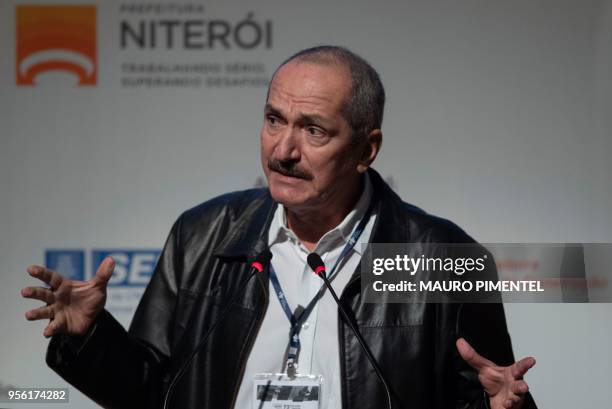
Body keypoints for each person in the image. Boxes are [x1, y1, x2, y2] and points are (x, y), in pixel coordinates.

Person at [22, 46, 536, 409]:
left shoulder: (441, 257)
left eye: (313, 130)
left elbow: (490, 393)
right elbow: (152, 391)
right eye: (274, 120)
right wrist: (90, 336)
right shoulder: (202, 236)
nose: (283, 151)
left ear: (367, 149)